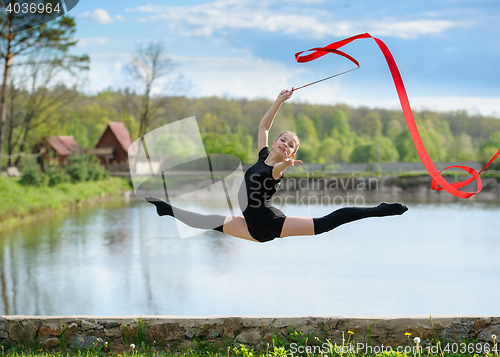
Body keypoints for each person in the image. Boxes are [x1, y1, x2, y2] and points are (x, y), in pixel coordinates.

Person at [146, 89, 408, 242]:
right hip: (251, 226)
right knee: (205, 220)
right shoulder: (262, 156)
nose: (285, 144)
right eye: (284, 139)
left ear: (292, 152)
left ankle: (382, 210)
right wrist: (279, 101)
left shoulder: (276, 169)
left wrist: (287, 163)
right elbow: (264, 126)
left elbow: (276, 172)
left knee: (328, 221)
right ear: (276, 142)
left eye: (291, 144)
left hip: (269, 223)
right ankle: (166, 209)